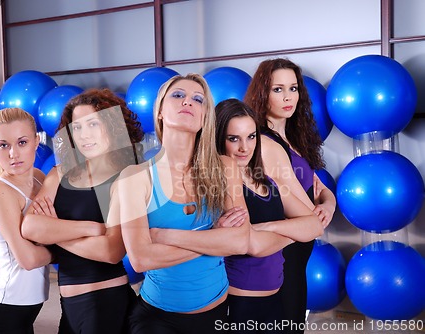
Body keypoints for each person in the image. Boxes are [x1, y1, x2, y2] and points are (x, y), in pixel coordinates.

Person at [116, 73, 250, 334]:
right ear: (160, 112)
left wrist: (164, 236)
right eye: (178, 95)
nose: (188, 101)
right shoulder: (134, 177)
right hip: (157, 318)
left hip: (217, 313)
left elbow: (240, 242)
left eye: (198, 99)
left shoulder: (225, 167)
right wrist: (214, 238)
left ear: (204, 118)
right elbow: (141, 258)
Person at [21, 89, 143, 333]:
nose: (84, 135)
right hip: (67, 305)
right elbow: (29, 228)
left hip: (106, 302)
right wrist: (90, 229)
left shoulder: (126, 178)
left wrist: (54, 234)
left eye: (93, 124)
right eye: (76, 127)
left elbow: (111, 251)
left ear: (112, 127)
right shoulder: (59, 173)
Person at [215, 98, 323, 333]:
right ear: (219, 138)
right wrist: (293, 230)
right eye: (234, 139)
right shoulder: (222, 180)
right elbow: (251, 245)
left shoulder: (267, 180)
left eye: (251, 137)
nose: (245, 147)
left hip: (275, 296)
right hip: (239, 301)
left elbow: (315, 226)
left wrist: (267, 228)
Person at [244, 58, 336, 333]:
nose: (288, 97)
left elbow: (321, 190)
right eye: (278, 89)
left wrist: (328, 206)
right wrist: (320, 212)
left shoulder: (292, 139)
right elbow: (310, 215)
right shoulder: (265, 143)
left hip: (297, 257)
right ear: (262, 93)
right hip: (281, 259)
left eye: (293, 88)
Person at [0, 108, 53, 334]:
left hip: (26, 313)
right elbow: (28, 259)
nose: (13, 154)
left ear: (36, 141)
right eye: (3, 145)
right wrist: (68, 250)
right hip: (2, 314)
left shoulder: (39, 178)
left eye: (21, 142)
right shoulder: (0, 193)